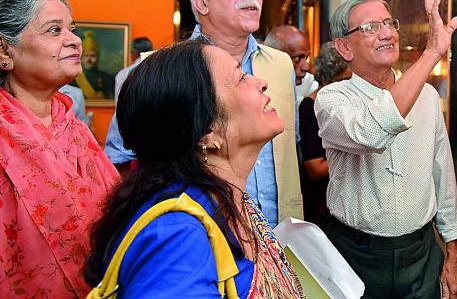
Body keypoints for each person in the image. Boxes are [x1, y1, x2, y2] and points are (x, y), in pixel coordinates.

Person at [84, 40, 304, 298]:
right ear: (207, 131)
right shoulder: (177, 237)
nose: (261, 82)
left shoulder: (231, 200)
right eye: (241, 77)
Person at [104, 0, 303, 227]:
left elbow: (289, 147)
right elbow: (121, 161)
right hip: (202, 231)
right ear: (201, 2)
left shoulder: (281, 65)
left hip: (279, 233)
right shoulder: (157, 72)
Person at [315, 0, 457, 299]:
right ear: (344, 48)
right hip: (355, 255)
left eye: (389, 23)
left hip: (421, 253)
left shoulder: (426, 96)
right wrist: (432, 53)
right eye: (371, 27)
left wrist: (454, 247)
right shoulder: (332, 99)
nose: (387, 33)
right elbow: (370, 132)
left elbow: (442, 172)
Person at [0, 0, 119, 297]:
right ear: (4, 52)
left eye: (72, 29)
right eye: (54, 30)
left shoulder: (72, 126)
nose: (74, 40)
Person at [297, 41, 351, 227]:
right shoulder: (309, 108)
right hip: (323, 206)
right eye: (344, 81)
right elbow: (315, 168)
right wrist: (360, 152)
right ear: (328, 80)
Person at [264, 25, 319, 103]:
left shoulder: (308, 82)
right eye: (297, 59)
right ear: (274, 59)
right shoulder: (256, 89)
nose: (306, 67)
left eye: (306, 58)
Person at [73, 30, 115, 99]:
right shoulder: (73, 79)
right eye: (86, 56)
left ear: (98, 58)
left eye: (93, 56)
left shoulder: (108, 79)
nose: (89, 59)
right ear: (81, 58)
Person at [114, 36, 153, 102]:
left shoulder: (123, 73)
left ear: (133, 52)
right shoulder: (160, 71)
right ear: (151, 50)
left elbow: (119, 102)